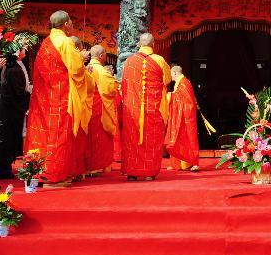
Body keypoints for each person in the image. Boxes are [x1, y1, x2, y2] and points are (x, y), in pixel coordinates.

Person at [25, 10, 91, 184]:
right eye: (71, 22)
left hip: (44, 96)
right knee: (60, 135)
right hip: (61, 96)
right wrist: (82, 59)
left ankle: (39, 171)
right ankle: (54, 175)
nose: (72, 26)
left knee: (45, 133)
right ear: (66, 24)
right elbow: (76, 70)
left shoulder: (46, 42)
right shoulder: (65, 42)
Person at [120, 32, 170, 180]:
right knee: (152, 139)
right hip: (152, 109)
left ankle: (132, 173)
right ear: (153, 45)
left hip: (133, 109)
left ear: (140, 44)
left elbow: (124, 84)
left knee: (132, 138)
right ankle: (149, 173)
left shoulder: (129, 61)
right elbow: (166, 80)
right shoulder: (159, 60)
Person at [0, 47, 32, 179]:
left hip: (11, 108)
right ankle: (2, 169)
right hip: (9, 109)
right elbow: (17, 93)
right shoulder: (12, 68)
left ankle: (4, 167)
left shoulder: (15, 66)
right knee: (6, 138)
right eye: (23, 48)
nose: (26, 49)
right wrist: (30, 98)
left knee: (8, 139)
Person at [86, 45, 118, 174]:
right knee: (99, 137)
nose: (106, 56)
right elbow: (109, 89)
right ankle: (97, 165)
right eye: (105, 54)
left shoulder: (86, 68)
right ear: (101, 56)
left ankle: (88, 165)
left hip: (87, 106)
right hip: (99, 107)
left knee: (89, 137)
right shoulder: (101, 70)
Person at [164, 64, 200, 172]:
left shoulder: (184, 83)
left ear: (175, 73)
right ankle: (178, 164)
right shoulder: (180, 83)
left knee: (189, 138)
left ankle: (194, 163)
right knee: (178, 139)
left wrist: (169, 96)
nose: (171, 77)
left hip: (186, 117)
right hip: (180, 116)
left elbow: (189, 101)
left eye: (171, 75)